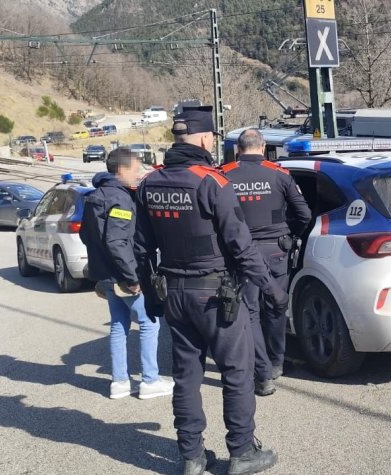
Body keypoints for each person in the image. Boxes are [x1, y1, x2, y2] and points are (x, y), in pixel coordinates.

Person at [134, 106, 286, 475]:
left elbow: (140, 247)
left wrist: (153, 297)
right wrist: (270, 289)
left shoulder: (150, 184)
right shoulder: (211, 182)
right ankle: (242, 452)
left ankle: (191, 457)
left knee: (186, 377)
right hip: (216, 297)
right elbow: (240, 244)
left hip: (175, 294)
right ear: (205, 139)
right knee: (237, 371)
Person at [221, 128, 311, 397]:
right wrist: (289, 233)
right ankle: (276, 363)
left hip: (242, 252)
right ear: (262, 147)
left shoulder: (224, 175)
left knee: (249, 313)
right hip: (276, 251)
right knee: (276, 305)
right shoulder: (280, 174)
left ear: (238, 149)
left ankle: (262, 375)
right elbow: (304, 214)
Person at [79, 147, 173, 400]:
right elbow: (117, 242)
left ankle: (120, 382)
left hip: (105, 276)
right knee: (149, 322)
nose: (139, 173)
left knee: (119, 327)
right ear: (121, 170)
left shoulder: (94, 196)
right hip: (123, 276)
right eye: (135, 168)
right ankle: (150, 380)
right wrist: (131, 278)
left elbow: (86, 235)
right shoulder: (119, 199)